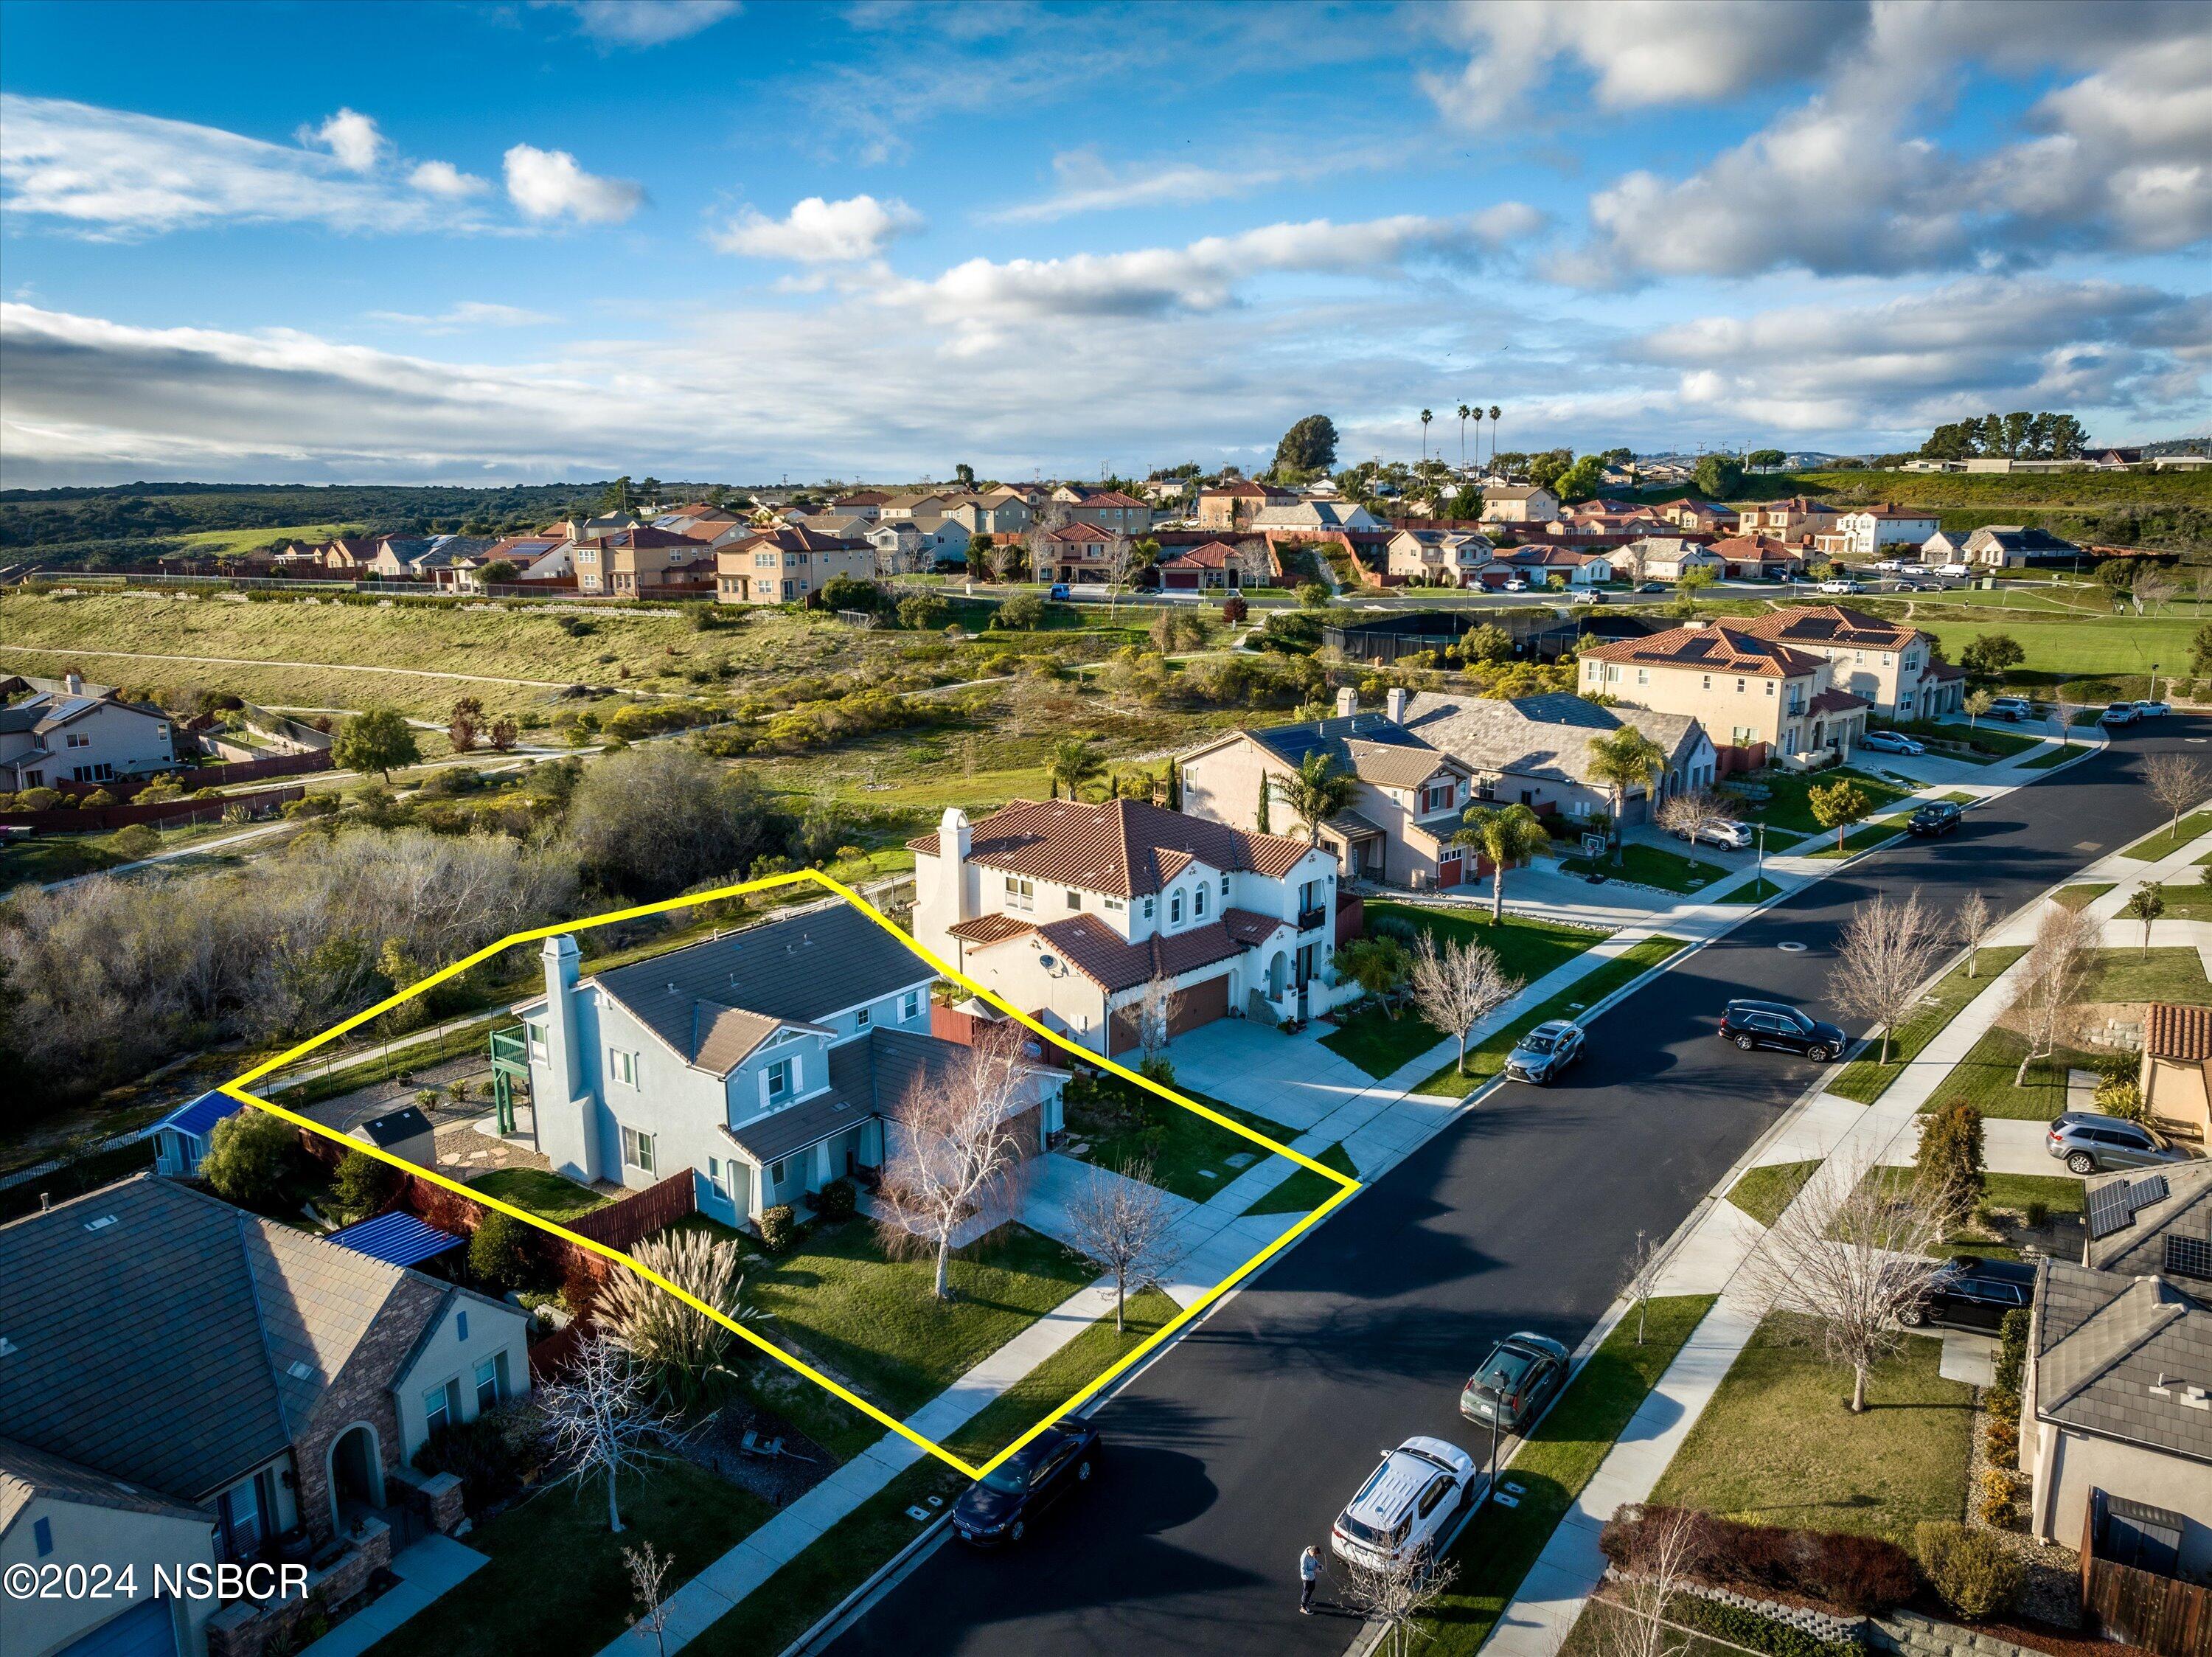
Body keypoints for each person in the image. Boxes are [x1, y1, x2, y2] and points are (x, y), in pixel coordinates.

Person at [1299, 1543, 1321, 1613]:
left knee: (1312, 1588)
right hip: (1306, 1579)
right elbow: (1303, 1572)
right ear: (1313, 1552)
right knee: (1307, 1592)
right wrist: (1315, 1571)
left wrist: (1318, 1565)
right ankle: (1303, 1607)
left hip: (1312, 1577)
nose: (1316, 1557)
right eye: (1316, 1555)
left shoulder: (1310, 1550)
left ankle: (1307, 1599)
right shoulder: (1304, 1558)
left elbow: (1314, 1560)